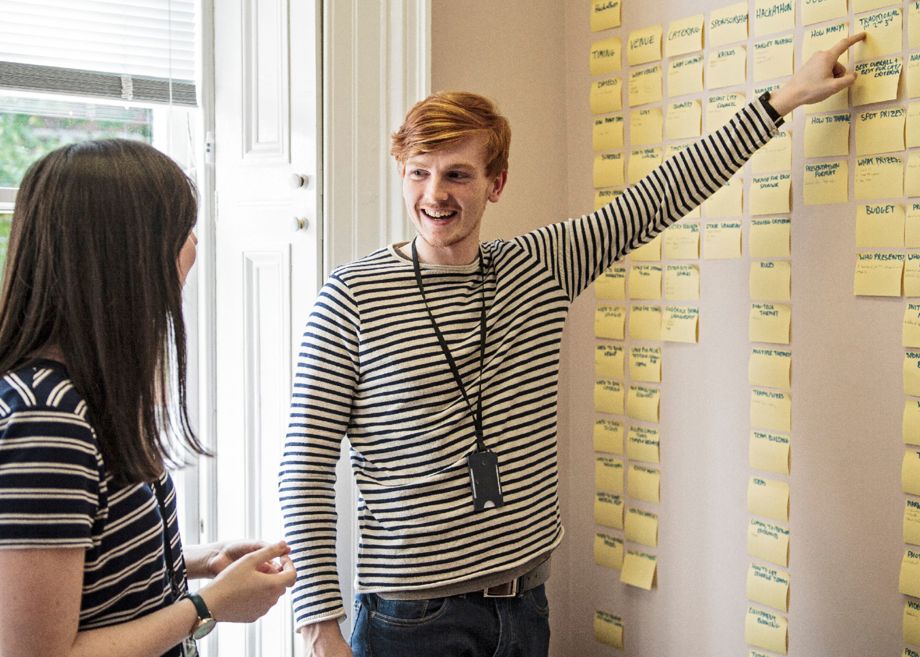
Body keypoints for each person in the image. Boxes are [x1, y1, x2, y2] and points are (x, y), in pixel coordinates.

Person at [280, 33, 867, 657]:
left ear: (496, 183)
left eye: (457, 174)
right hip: (410, 617)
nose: (434, 195)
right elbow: (305, 465)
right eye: (418, 173)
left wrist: (784, 99)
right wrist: (320, 630)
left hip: (525, 604)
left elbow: (660, 195)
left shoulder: (542, 267)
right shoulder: (352, 296)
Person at [0, 139, 297, 657]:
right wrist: (207, 607)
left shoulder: (86, 394)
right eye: (182, 228)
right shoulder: (48, 422)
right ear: (131, 254)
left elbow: (89, 572)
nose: (194, 244)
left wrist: (203, 560)